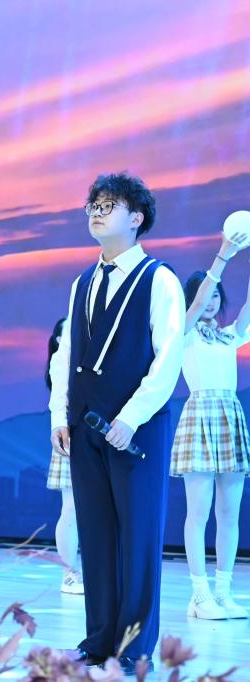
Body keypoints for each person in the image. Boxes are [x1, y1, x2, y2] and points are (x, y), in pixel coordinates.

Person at [49, 173, 184, 673]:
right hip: (84, 427)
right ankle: (99, 640)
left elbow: (168, 358)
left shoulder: (159, 279)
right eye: (93, 206)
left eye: (108, 206)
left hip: (137, 429)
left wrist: (130, 418)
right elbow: (66, 354)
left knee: (139, 537)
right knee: (97, 534)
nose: (96, 213)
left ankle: (134, 648)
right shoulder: (82, 282)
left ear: (137, 218)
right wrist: (59, 415)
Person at [170, 233, 250, 620]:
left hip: (229, 417)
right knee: (198, 513)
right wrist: (222, 259)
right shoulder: (183, 333)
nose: (212, 300)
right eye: (207, 295)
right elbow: (199, 301)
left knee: (229, 513)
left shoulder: (228, 336)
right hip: (199, 417)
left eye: (218, 295)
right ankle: (199, 594)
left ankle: (222, 592)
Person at [45, 318, 83, 594]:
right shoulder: (59, 362)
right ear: (59, 339)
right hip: (70, 434)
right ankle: (68, 573)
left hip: (97, 432)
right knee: (70, 508)